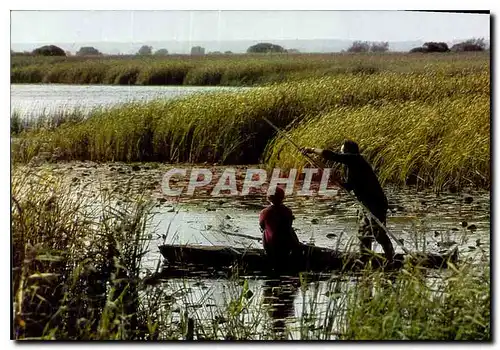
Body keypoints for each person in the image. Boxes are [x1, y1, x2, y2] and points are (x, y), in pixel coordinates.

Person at [302, 140, 395, 262]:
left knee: (377, 233)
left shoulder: (356, 159)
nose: (341, 153)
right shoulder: (351, 167)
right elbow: (350, 186)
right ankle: (365, 258)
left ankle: (390, 256)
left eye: (342, 151)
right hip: (366, 204)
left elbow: (332, 156)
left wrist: (311, 149)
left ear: (348, 152)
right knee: (363, 233)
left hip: (376, 203)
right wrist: (338, 182)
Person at [259, 187, 301, 271]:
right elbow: (288, 226)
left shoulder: (264, 212)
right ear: (283, 198)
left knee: (264, 230)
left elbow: (262, 226)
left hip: (271, 245)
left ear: (268, 198)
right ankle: (297, 248)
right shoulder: (288, 211)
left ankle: (266, 250)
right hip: (286, 244)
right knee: (290, 229)